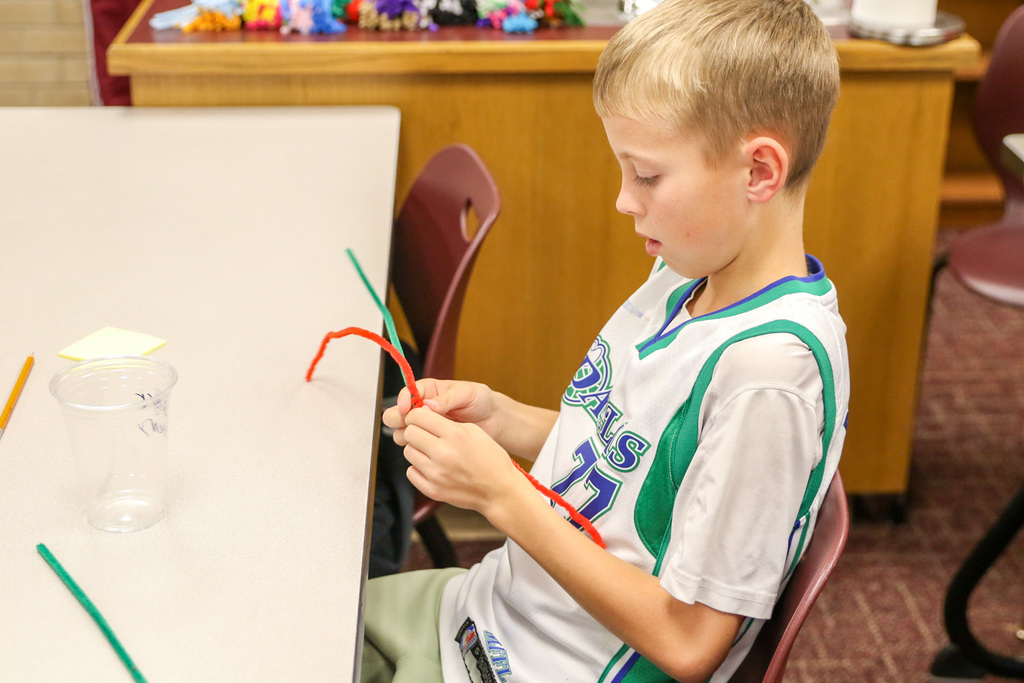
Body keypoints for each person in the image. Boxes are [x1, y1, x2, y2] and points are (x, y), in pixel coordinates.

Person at [362, 0, 849, 679]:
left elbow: (689, 643)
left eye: (647, 175)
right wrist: (504, 419)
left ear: (760, 172)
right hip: (488, 615)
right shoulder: (681, 273)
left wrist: (504, 494)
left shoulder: (766, 373)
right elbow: (635, 455)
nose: (624, 199)